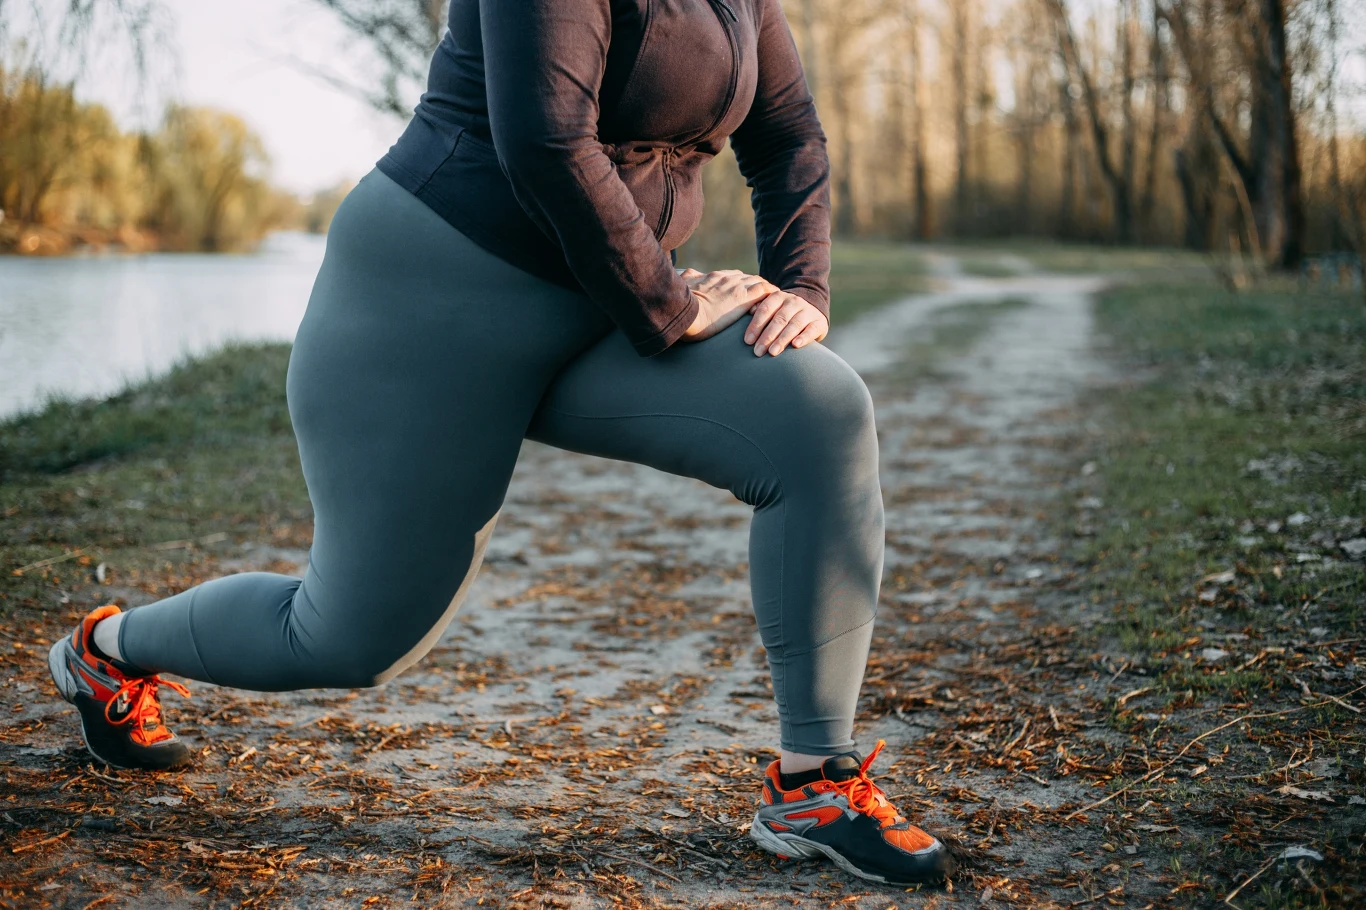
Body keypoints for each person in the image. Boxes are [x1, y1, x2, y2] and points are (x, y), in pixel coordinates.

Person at [47, 0, 953, 887]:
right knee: (349, 637)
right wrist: (669, 307)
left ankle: (814, 784)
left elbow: (789, 132)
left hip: (604, 301)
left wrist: (803, 288)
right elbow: (547, 136)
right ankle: (110, 650)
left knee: (815, 411)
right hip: (431, 299)